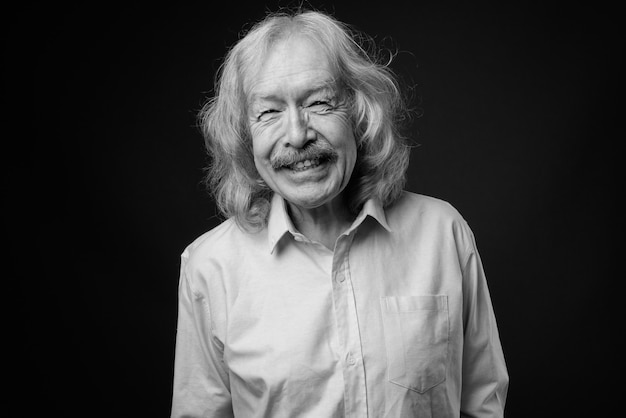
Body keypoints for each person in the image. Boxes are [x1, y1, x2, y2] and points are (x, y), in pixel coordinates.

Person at [171, 9, 508, 418]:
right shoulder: (209, 267)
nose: (297, 135)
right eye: (269, 112)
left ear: (360, 114)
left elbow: (483, 404)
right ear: (245, 137)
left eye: (319, 102)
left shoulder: (443, 233)